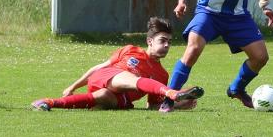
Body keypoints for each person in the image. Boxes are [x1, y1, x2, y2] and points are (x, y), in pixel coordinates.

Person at [31, 17, 204, 113]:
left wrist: (179, 105)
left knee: (105, 96)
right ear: (149, 41)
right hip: (106, 76)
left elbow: (152, 106)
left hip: (119, 97)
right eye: (162, 41)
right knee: (133, 79)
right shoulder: (131, 50)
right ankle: (171, 93)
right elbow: (99, 67)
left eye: (169, 42)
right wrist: (73, 86)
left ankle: (49, 103)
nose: (167, 45)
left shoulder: (162, 75)